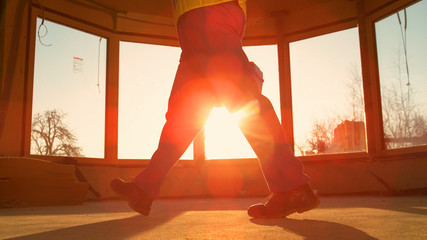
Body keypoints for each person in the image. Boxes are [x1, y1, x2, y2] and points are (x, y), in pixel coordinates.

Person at [111, 0, 320, 219]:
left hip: (209, 11)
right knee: (185, 115)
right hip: (192, 20)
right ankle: (144, 189)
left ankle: (292, 187)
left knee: (244, 101)